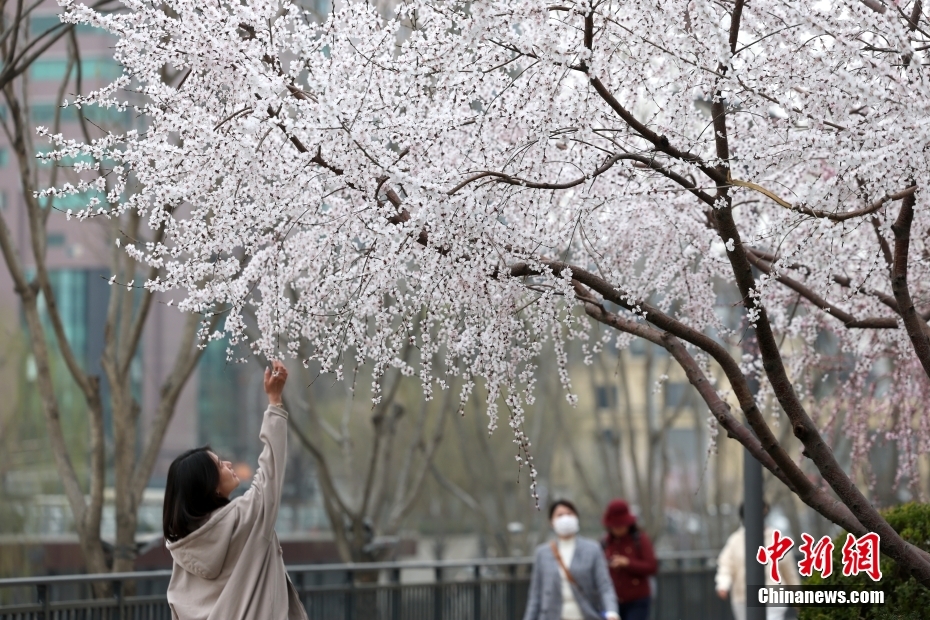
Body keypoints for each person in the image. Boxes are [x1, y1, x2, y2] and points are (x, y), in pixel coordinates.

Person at [162, 361, 308, 620]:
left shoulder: (184, 547)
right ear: (207, 485)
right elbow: (270, 471)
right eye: (219, 464)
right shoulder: (245, 517)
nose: (227, 463)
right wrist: (274, 402)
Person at [523, 499, 620, 620]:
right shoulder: (542, 553)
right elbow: (535, 595)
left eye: (569, 514)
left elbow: (604, 586)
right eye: (560, 515)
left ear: (576, 517)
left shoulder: (592, 549)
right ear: (551, 522)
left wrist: (612, 612)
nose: (565, 518)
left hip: (586, 615)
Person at [715, 502, 800, 620]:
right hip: (743, 599)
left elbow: (789, 573)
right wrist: (723, 584)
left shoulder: (777, 539)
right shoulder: (735, 540)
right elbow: (726, 565)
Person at [601, 499, 657, 620]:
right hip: (613, 600)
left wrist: (627, 563)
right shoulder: (605, 543)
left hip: (637, 599)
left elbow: (652, 566)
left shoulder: (640, 539)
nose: (618, 529)